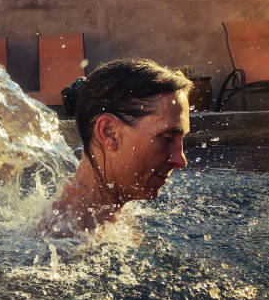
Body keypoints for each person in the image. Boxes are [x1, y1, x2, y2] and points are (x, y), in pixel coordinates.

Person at [42, 58, 192, 237]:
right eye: (166, 138)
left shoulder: (115, 219)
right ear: (109, 133)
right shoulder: (61, 242)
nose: (181, 160)